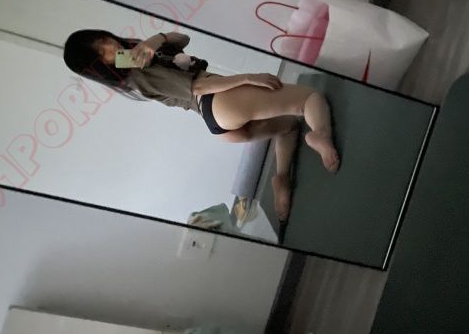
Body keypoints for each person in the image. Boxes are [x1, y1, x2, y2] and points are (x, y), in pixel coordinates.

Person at [63, 29, 340, 221]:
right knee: (310, 99)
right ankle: (320, 135)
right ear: (101, 69)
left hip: (218, 122)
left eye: (104, 40)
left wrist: (155, 40)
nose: (111, 48)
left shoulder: (139, 54)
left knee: (288, 126)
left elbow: (183, 39)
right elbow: (197, 87)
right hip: (217, 100)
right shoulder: (137, 74)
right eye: (102, 54)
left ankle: (281, 178)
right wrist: (247, 77)